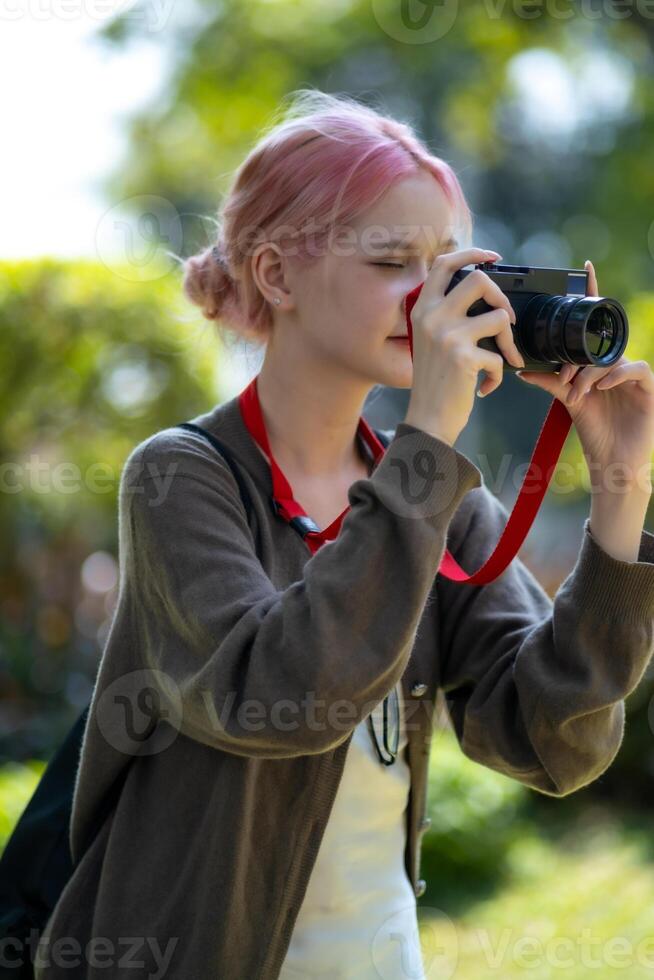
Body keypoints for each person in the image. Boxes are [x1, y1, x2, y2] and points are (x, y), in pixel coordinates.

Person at [35, 89, 654, 980]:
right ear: (278, 275)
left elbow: (552, 742)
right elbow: (277, 695)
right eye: (395, 262)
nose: (437, 299)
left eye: (448, 265)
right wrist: (430, 438)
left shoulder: (435, 494)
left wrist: (622, 490)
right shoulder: (182, 476)